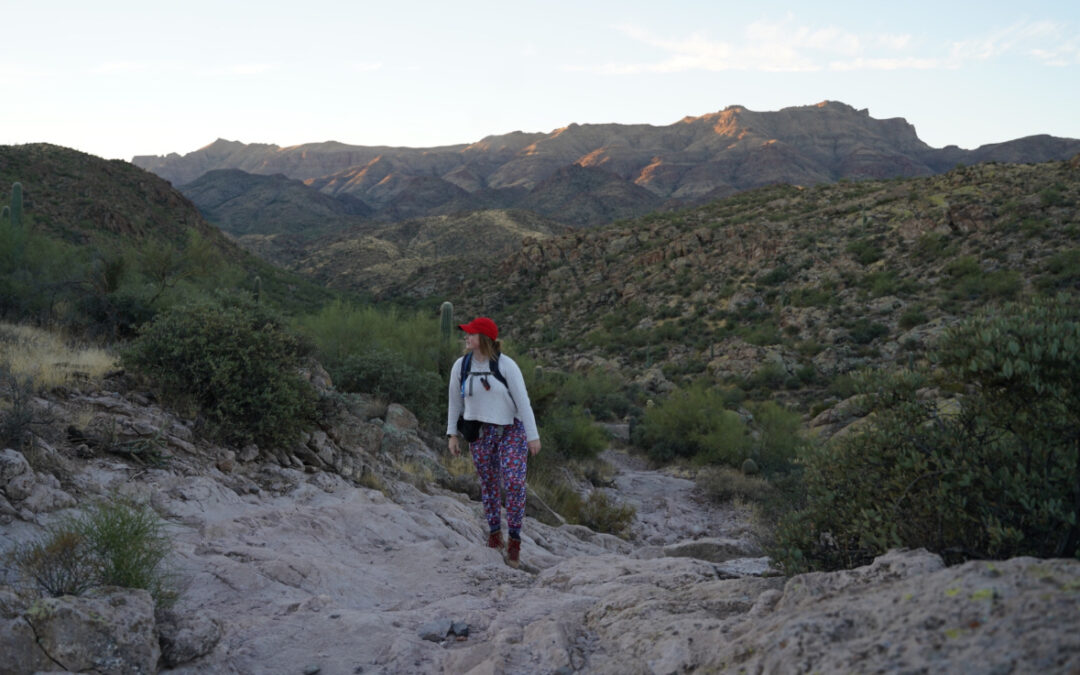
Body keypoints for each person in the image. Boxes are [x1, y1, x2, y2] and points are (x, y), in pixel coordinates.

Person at [447, 316, 541, 568]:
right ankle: (494, 534)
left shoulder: (506, 366)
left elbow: (523, 401)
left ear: (484, 339)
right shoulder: (461, 365)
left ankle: (515, 540)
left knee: (513, 482)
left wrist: (533, 435)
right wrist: (452, 434)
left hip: (511, 429)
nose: (466, 337)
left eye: (471, 334)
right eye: (466, 333)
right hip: (479, 431)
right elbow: (454, 401)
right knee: (488, 484)